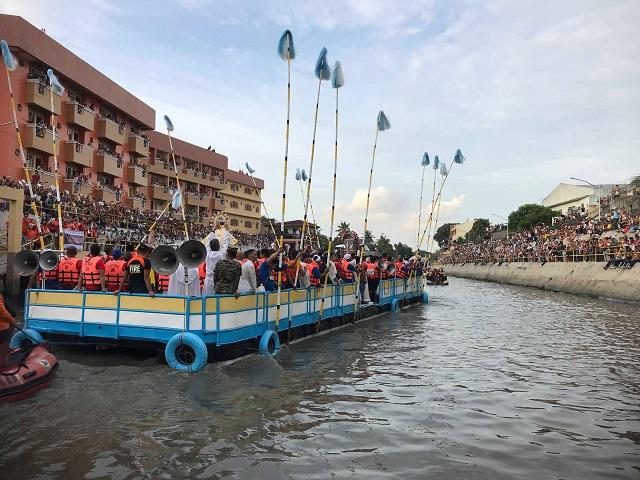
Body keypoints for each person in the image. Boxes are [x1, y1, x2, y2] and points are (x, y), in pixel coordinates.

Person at [0, 294, 16, 365]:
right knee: (3, 350)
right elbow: (3, 313)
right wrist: (12, 321)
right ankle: (2, 364)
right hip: (2, 328)